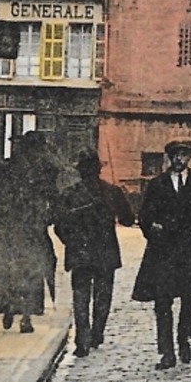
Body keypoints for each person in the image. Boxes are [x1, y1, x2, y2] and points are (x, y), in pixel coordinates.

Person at [131, 139, 191, 370]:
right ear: (169, 158)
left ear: (190, 157)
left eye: (184, 155)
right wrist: (152, 229)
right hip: (164, 253)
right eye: (175, 155)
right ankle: (167, 351)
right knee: (162, 302)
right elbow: (145, 215)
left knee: (190, 300)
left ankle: (183, 337)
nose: (179, 159)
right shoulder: (157, 185)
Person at [54, 149, 135, 357]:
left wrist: (72, 243)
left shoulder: (69, 194)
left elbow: (59, 226)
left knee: (80, 296)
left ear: (80, 171)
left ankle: (83, 338)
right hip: (105, 253)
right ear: (98, 170)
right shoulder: (111, 192)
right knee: (103, 296)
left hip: (80, 253)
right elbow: (128, 219)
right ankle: (97, 333)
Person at [0, 131, 59, 333]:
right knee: (33, 272)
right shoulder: (44, 170)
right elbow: (53, 199)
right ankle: (25, 315)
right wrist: (49, 218)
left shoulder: (5, 168)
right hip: (32, 229)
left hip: (10, 230)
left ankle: (10, 306)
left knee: (11, 270)